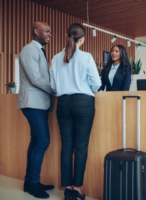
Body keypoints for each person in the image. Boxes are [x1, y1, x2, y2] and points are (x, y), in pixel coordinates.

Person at [50, 23, 101, 200]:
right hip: (83, 104)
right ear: (83, 39)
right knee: (80, 147)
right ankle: (77, 189)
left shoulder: (56, 58)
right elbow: (96, 84)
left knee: (66, 147)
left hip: (63, 104)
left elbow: (53, 86)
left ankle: (67, 189)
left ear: (67, 35)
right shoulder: (86, 57)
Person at [17, 22, 56, 199]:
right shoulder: (29, 50)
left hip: (39, 104)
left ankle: (29, 182)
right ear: (36, 32)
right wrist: (55, 88)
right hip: (33, 104)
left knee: (35, 142)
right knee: (42, 141)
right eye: (47, 31)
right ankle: (33, 184)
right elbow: (35, 78)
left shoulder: (38, 50)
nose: (50, 34)